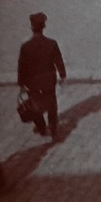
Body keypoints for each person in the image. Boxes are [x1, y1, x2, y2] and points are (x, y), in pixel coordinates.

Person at [16, 12, 66, 141]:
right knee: (51, 105)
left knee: (35, 104)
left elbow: (22, 66)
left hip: (33, 82)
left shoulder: (26, 47)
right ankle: (54, 130)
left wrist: (21, 84)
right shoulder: (51, 43)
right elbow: (58, 61)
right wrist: (62, 75)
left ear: (32, 27)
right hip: (49, 80)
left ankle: (43, 128)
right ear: (44, 26)